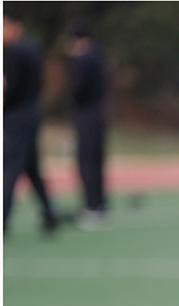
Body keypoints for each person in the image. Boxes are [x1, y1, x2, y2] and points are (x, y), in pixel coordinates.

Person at [3, 13, 58, 235]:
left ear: (15, 26)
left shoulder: (14, 52)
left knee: (10, 168)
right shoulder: (32, 48)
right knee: (31, 168)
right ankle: (49, 213)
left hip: (17, 115)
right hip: (31, 112)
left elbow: (12, 89)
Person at [66, 19, 108, 229]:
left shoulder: (81, 59)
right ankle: (100, 204)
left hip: (85, 115)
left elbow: (77, 90)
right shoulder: (98, 55)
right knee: (97, 160)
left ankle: (91, 206)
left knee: (86, 161)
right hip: (99, 113)